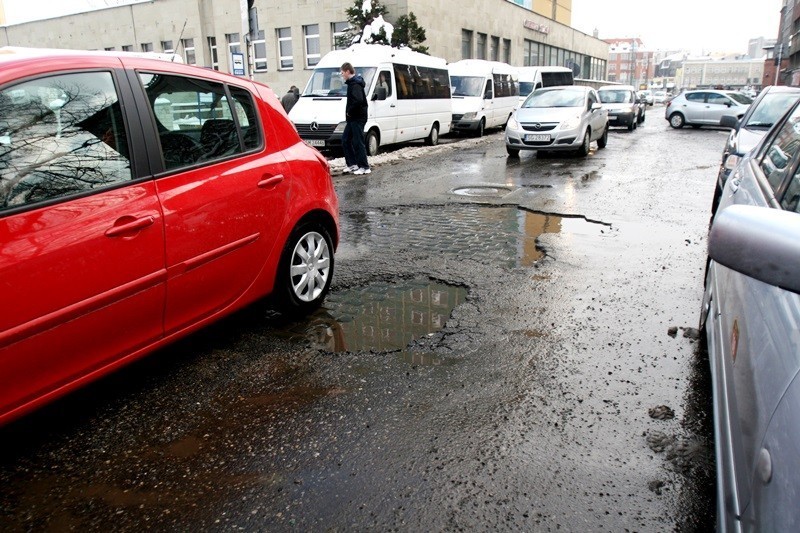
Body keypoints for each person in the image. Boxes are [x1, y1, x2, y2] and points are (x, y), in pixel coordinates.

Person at [340, 62, 370, 175]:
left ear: (348, 71)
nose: (342, 75)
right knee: (345, 140)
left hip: (357, 117)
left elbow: (358, 101)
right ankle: (352, 164)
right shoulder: (352, 83)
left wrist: (349, 111)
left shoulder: (355, 84)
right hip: (353, 118)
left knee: (358, 141)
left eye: (342, 72)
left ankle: (364, 167)